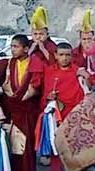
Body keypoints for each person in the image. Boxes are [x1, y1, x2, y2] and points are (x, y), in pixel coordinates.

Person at [38, 42, 84, 171]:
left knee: (74, 150)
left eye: (68, 55)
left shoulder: (78, 71)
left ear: (72, 56)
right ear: (56, 55)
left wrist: (87, 78)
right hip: (55, 117)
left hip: (73, 117)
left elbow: (86, 92)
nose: (65, 58)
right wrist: (48, 97)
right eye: (61, 55)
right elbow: (44, 94)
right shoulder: (49, 71)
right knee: (56, 149)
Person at [0, 34, 39, 171]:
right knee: (12, 147)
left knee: (26, 147)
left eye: (16, 47)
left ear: (26, 49)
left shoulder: (34, 63)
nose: (13, 50)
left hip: (27, 110)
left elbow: (36, 86)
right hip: (11, 111)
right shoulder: (7, 64)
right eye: (11, 47)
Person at [27, 6, 57, 93]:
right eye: (35, 34)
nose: (38, 36)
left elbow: (54, 62)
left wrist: (43, 49)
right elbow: (23, 60)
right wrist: (32, 49)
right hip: (27, 77)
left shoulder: (51, 45)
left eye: (41, 34)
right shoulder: (28, 44)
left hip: (46, 76)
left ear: (47, 34)